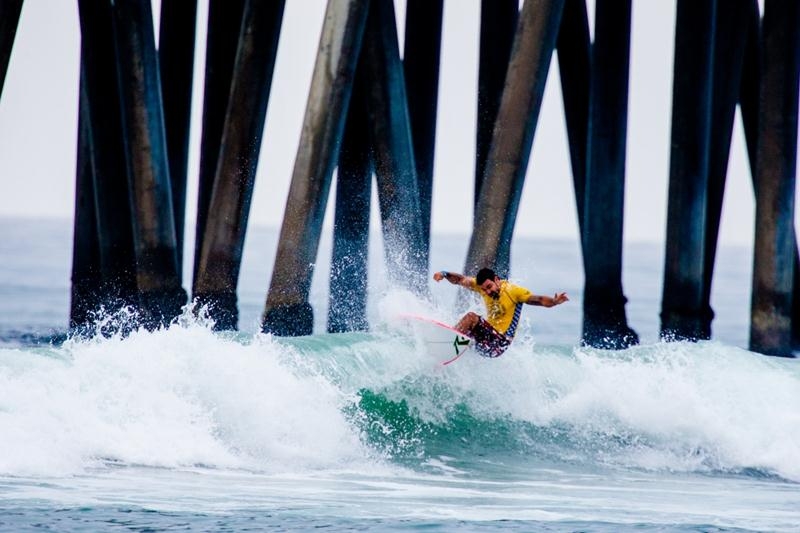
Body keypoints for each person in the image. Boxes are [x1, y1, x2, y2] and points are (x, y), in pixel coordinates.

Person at [433, 267, 569, 357]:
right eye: (484, 289)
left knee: (471, 318)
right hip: (487, 340)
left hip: (500, 343)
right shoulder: (481, 286)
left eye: (489, 287)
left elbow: (537, 300)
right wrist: (444, 274)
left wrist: (554, 302)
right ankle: (450, 353)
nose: (487, 291)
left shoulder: (513, 292)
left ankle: (447, 346)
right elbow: (461, 279)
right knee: (468, 335)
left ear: (497, 280)